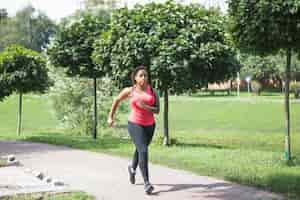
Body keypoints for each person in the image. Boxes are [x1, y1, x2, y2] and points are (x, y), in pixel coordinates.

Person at [107, 65, 160, 195]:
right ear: (135, 78)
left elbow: (157, 110)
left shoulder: (153, 91)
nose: (144, 77)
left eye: (146, 75)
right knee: (143, 150)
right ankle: (147, 183)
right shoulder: (130, 91)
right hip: (135, 124)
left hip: (150, 125)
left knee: (140, 148)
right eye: (141, 75)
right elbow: (117, 100)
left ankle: (132, 168)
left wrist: (145, 107)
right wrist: (110, 117)